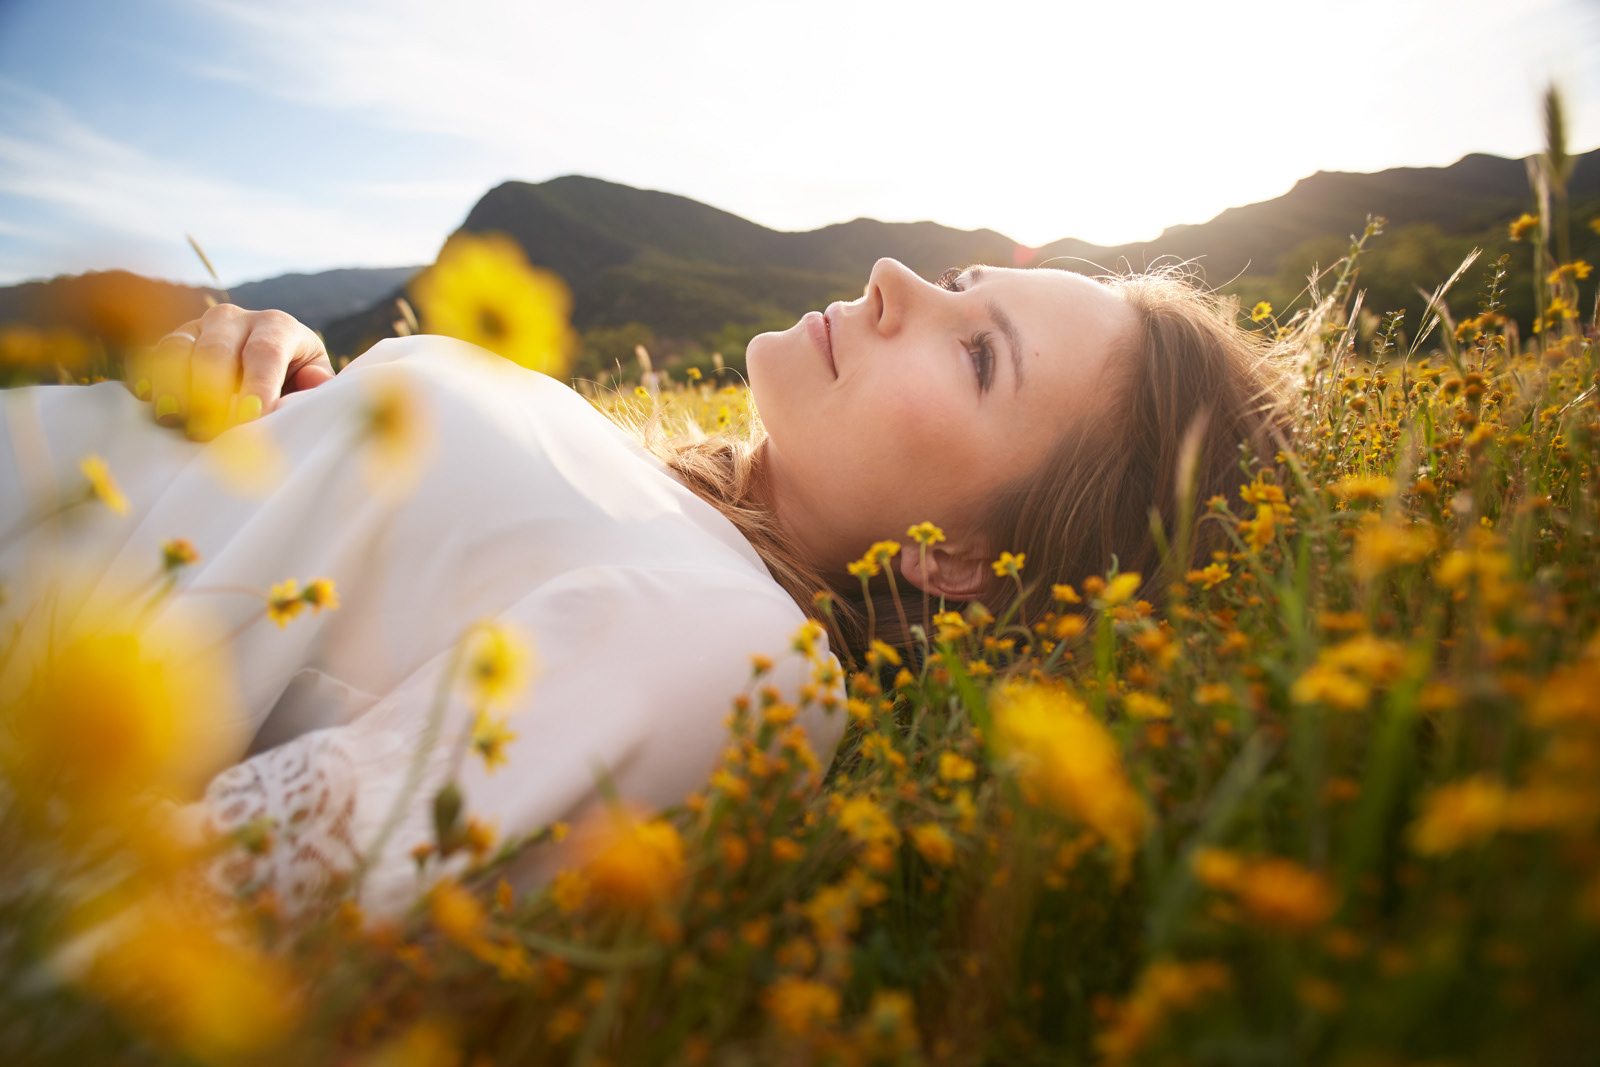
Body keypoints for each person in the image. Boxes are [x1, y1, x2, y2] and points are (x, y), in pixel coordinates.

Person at [0, 256, 1290, 917]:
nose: (899, 280)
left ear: (955, 559)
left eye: (979, 355)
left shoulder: (745, 658)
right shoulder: (643, 494)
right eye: (960, 283)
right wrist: (265, 384)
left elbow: (178, 919)